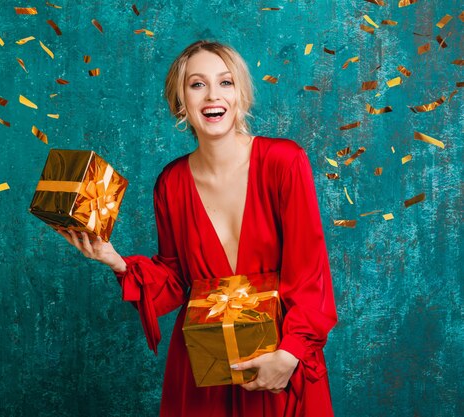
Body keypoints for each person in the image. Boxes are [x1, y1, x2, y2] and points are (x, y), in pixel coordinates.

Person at [57, 40, 338, 417]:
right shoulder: (170, 183)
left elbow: (310, 272)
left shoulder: (284, 162)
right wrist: (116, 261)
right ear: (181, 101)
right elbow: (175, 279)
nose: (212, 95)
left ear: (240, 94)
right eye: (197, 84)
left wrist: (289, 354)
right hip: (203, 369)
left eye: (225, 82)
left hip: (278, 360)